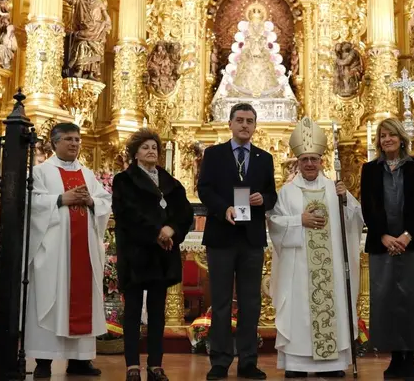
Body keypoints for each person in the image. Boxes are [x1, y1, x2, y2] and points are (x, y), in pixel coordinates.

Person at [268, 117, 364, 378]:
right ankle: (297, 364)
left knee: (332, 305)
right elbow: (274, 223)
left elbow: (356, 220)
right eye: (304, 159)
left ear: (322, 161)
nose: (309, 163)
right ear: (297, 163)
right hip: (298, 268)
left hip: (330, 268)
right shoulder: (287, 192)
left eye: (314, 159)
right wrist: (299, 221)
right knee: (299, 311)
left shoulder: (336, 189)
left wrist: (347, 201)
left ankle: (333, 364)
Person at [26, 122, 112, 379]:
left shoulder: (87, 174)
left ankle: (80, 360)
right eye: (69, 139)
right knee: (49, 299)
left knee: (83, 301)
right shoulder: (40, 171)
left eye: (77, 139)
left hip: (83, 251)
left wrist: (91, 201)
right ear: (55, 142)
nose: (75, 143)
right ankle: (43, 360)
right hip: (53, 252)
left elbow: (105, 200)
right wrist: (61, 199)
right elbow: (29, 201)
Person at [198, 103, 277, 380]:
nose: (245, 125)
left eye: (250, 121)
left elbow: (272, 194)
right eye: (240, 120)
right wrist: (224, 209)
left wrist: (262, 200)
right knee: (220, 302)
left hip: (251, 239)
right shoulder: (214, 154)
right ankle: (219, 361)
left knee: (251, 303)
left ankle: (247, 361)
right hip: (221, 236)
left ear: (255, 126)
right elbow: (204, 189)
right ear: (230, 124)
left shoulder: (264, 158)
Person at [112, 129, 194, 381]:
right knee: (133, 311)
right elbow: (126, 213)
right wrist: (156, 233)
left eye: (154, 148)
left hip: (163, 255)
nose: (151, 151)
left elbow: (185, 212)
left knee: (157, 313)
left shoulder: (171, 182)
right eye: (146, 147)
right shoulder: (123, 180)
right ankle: (132, 365)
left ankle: (156, 364)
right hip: (137, 253)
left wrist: (172, 229)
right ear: (135, 153)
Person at [360, 118, 414, 379]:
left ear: (401, 138)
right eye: (382, 136)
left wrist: (406, 236)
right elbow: (368, 207)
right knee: (386, 300)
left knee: (413, 299)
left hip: (412, 243)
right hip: (382, 244)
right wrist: (382, 236)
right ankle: (395, 357)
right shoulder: (369, 169)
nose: (387, 140)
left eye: (391, 135)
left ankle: (410, 357)